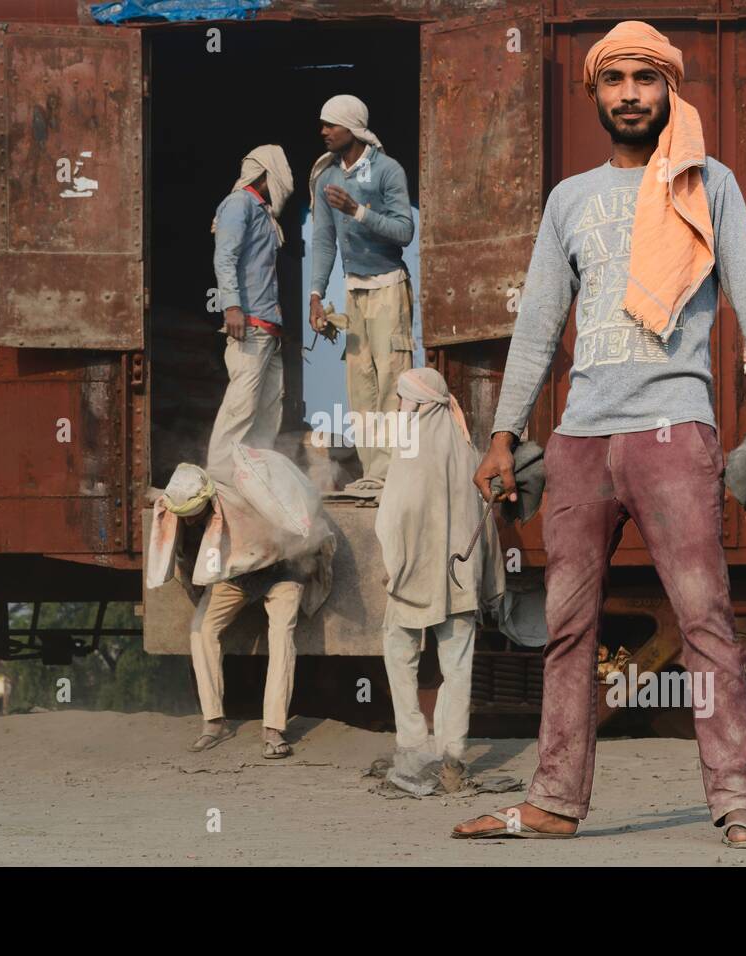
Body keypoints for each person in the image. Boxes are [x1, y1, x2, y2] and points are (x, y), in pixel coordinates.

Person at [453, 21, 746, 848]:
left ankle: (736, 800)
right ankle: (553, 802)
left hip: (673, 431)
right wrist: (505, 434)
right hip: (579, 442)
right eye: (616, 82)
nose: (632, 95)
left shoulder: (708, 183)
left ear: (667, 89)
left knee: (705, 619)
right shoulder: (568, 201)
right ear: (596, 94)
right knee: (568, 626)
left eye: (646, 80)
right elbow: (539, 323)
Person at [375, 368, 504, 791]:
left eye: (403, 399)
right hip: (460, 577)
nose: (398, 407)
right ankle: (451, 757)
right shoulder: (467, 450)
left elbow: (394, 514)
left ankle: (413, 749)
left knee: (399, 653)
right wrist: (487, 578)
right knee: (458, 667)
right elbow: (486, 524)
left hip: (413, 575)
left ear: (421, 404)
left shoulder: (408, 449)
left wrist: (393, 564)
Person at [156, 462, 308, 760]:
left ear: (208, 499)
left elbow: (289, 530)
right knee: (202, 630)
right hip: (235, 576)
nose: (187, 522)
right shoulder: (183, 514)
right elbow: (186, 556)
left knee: (281, 638)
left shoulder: (243, 502)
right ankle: (214, 722)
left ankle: (274, 729)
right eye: (182, 516)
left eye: (192, 514)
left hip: (281, 569)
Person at [307, 95, 415, 499]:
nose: (323, 131)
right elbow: (323, 241)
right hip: (353, 291)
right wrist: (316, 294)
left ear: (351, 128)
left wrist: (357, 211)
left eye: (330, 125)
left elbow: (405, 231)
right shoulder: (326, 179)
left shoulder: (387, 171)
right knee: (361, 388)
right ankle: (374, 473)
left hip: (388, 286)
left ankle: (394, 474)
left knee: (392, 382)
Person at [206, 145, 295, 485]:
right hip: (250, 326)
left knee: (268, 408)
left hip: (268, 329)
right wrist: (232, 307)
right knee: (240, 406)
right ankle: (219, 476)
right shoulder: (239, 204)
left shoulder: (263, 213)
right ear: (264, 174)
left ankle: (252, 477)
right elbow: (224, 257)